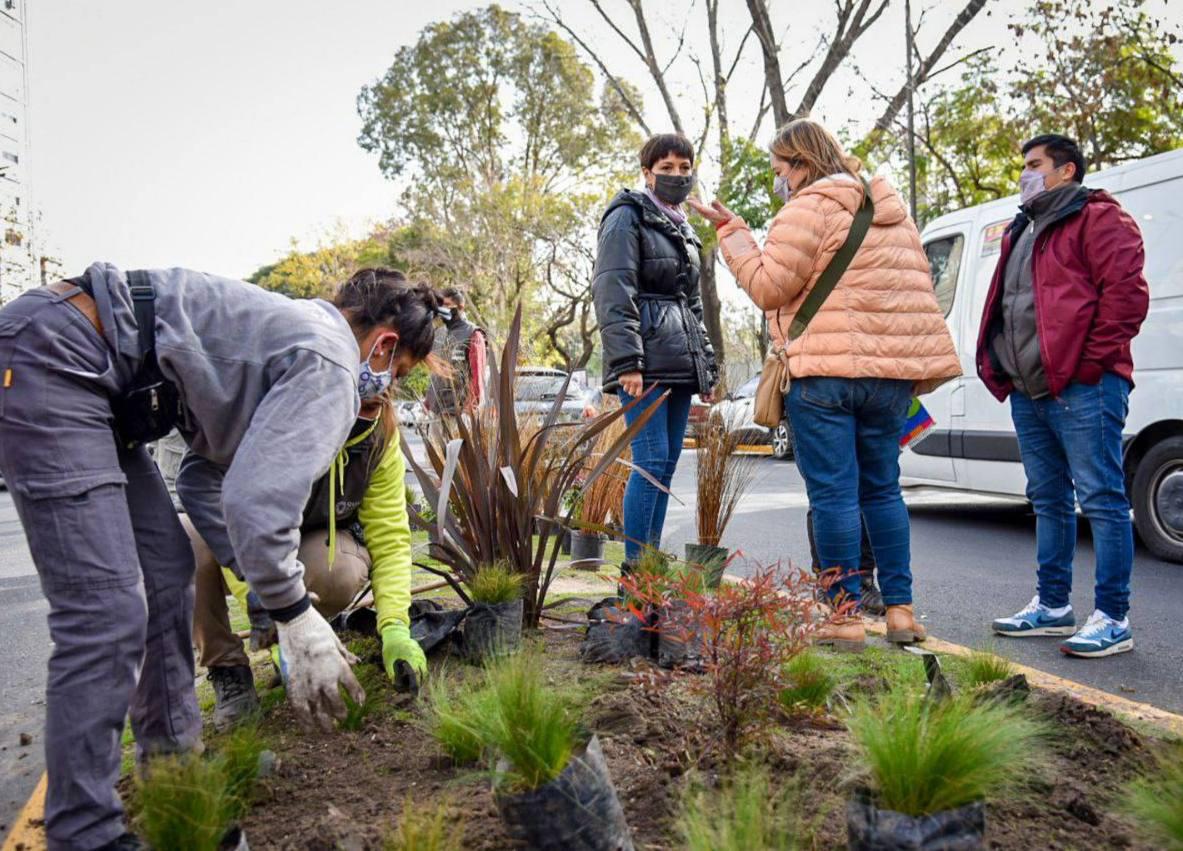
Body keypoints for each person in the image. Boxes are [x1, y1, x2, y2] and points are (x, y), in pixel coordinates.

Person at [0, 263, 438, 851]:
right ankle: (86, 834)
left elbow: (207, 479)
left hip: (101, 386)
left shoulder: (298, 337)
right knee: (104, 613)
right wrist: (292, 614)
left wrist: (267, 594)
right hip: (56, 358)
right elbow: (254, 500)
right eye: (397, 372)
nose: (387, 387)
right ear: (384, 344)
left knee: (165, 574)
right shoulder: (334, 361)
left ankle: (175, 783)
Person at [689, 119, 960, 651]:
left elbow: (770, 288)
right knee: (882, 491)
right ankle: (902, 612)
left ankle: (844, 616)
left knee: (834, 494)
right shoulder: (894, 213)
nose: (778, 182)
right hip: (890, 380)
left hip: (825, 376)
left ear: (802, 166)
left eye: (778, 171)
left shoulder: (808, 208)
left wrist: (733, 236)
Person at [979, 134, 1149, 658]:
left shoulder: (1100, 219)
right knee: (1048, 500)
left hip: (1083, 386)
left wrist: (1086, 364)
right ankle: (1053, 607)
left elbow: (1126, 298)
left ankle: (1113, 618)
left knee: (1102, 499)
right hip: (1031, 389)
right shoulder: (1022, 227)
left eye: (1034, 165)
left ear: (1067, 170)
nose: (1024, 174)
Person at [187, 393, 427, 730]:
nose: (357, 415)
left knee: (340, 569)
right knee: (189, 538)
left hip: (318, 543)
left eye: (371, 408)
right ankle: (228, 669)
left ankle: (311, 635)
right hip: (255, 539)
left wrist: (395, 629)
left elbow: (390, 539)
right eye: (353, 401)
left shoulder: (378, 437)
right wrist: (276, 622)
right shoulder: (275, 420)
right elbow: (235, 528)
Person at [592, 132, 718, 570]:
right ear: (648, 172)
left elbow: (694, 304)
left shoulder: (682, 225)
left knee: (665, 465)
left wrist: (708, 369)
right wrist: (628, 361)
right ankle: (634, 570)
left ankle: (649, 566)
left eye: (685, 169)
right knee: (647, 463)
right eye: (666, 168)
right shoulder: (627, 215)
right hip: (644, 361)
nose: (677, 176)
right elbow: (613, 287)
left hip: (680, 360)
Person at [424, 286, 487, 418]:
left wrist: (468, 410)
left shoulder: (473, 334)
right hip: (436, 413)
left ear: (460, 307)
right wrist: (427, 404)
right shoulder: (438, 334)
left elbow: (477, 378)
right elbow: (435, 374)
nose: (443, 309)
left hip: (459, 415)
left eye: (447, 304)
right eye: (440, 305)